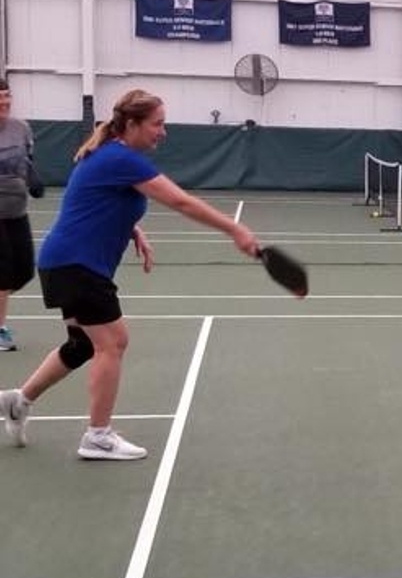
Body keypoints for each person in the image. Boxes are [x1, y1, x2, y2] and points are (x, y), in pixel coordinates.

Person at [0, 88, 260, 460]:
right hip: (77, 265)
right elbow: (180, 201)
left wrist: (132, 229)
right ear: (133, 124)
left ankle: (18, 401)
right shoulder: (122, 159)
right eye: (157, 124)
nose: (163, 132)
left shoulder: (108, 155)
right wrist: (235, 230)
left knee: (84, 344)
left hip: (66, 262)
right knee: (113, 341)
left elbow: (90, 200)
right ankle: (97, 436)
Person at [0, 79, 44, 350]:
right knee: (2, 271)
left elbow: (27, 160)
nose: (4, 102)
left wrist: (32, 178)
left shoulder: (21, 128)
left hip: (18, 208)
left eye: (7, 97)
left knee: (24, 269)